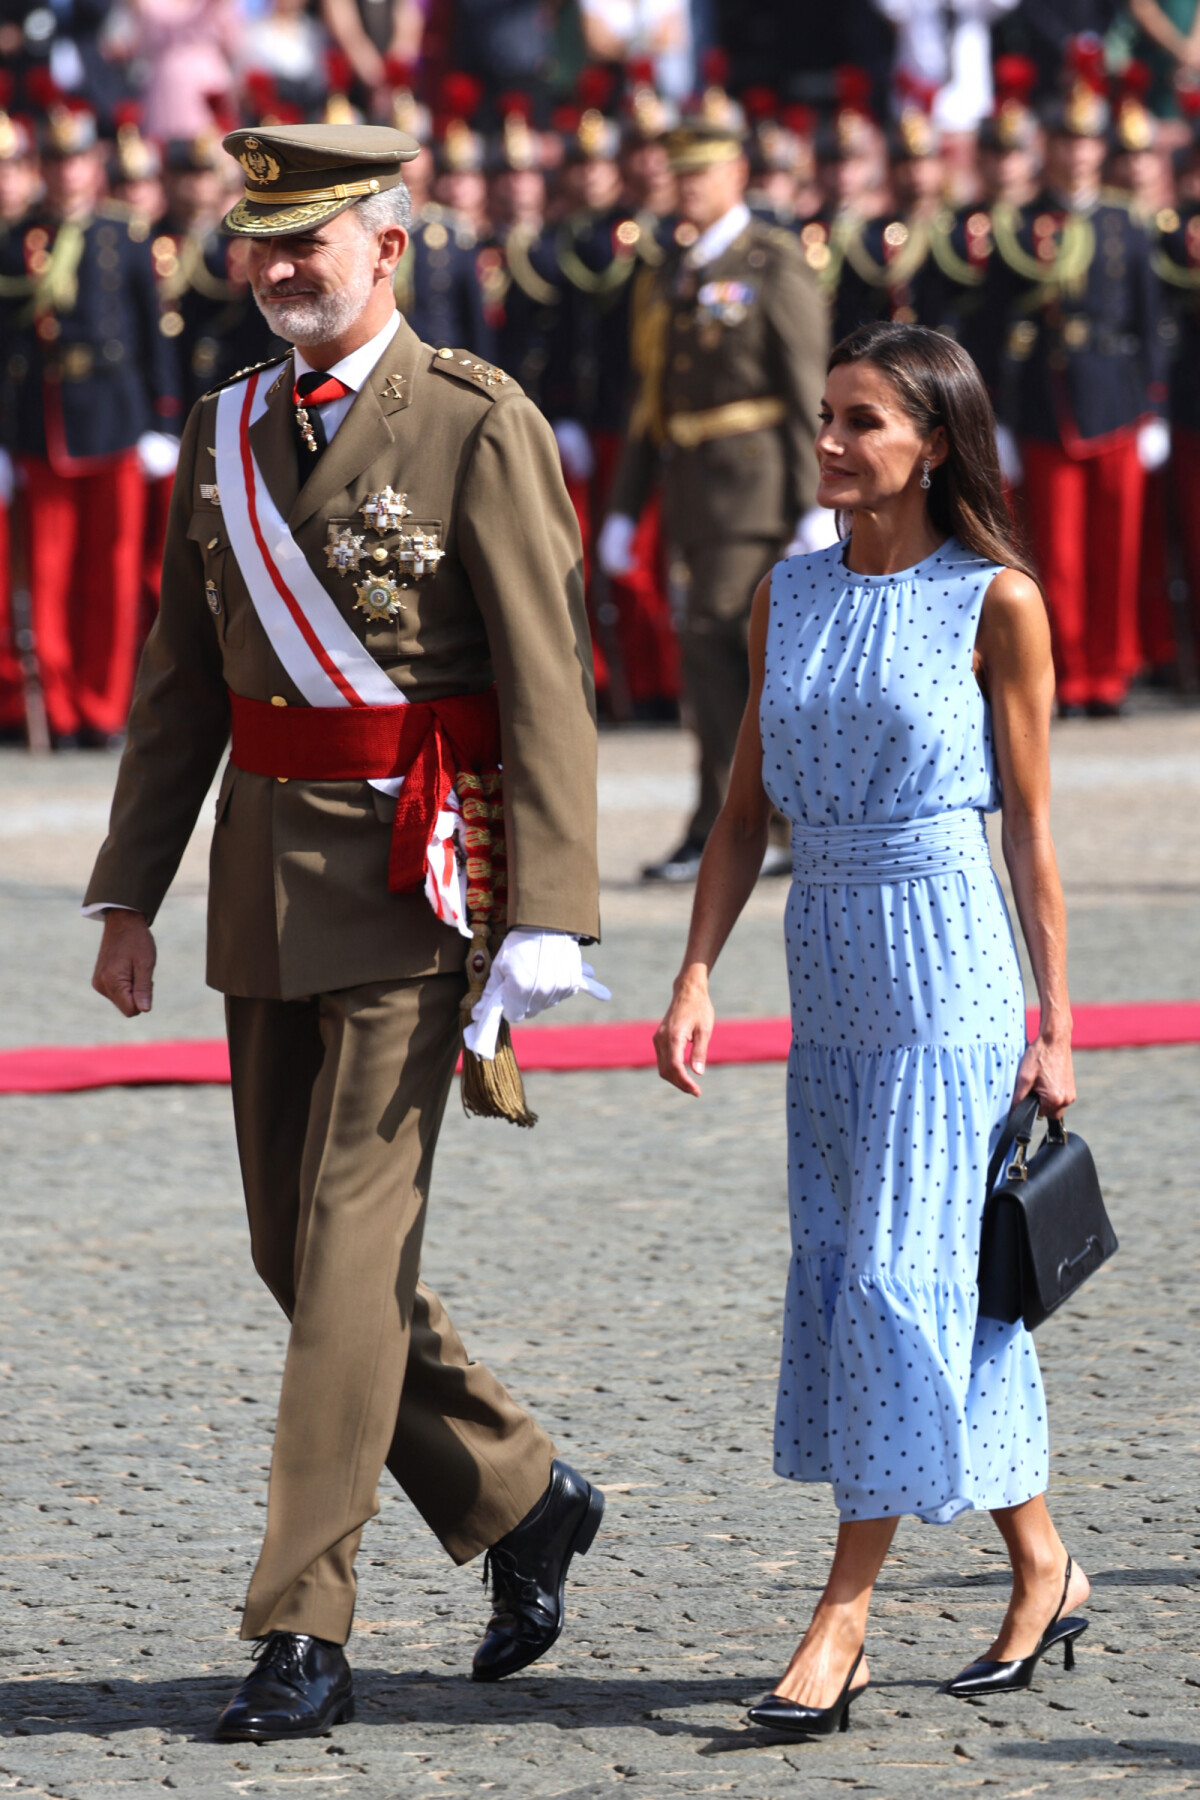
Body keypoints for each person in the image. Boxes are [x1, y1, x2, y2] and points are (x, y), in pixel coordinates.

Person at [85, 120, 606, 1742]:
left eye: (310, 242)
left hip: (414, 882)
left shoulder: (472, 420)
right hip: (260, 884)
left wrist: (550, 913)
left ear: (393, 247)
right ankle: (524, 1497)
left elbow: (546, 677)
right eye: (261, 243)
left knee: (347, 1266)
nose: (280, 269)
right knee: (288, 1251)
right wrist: (127, 886)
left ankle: (302, 1625)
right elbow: (183, 678)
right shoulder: (219, 426)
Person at [655, 320, 1088, 1735]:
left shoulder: (995, 600)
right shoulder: (788, 594)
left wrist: (1058, 1025)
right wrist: (698, 974)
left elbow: (1031, 831)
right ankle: (1043, 1566)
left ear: (936, 445)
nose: (831, 441)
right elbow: (738, 815)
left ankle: (839, 1619)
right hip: (827, 968)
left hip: (950, 965)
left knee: (901, 1281)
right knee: (884, 1275)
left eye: (862, 423)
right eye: (827, 417)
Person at [602, 101, 829, 881]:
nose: (687, 187)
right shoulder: (674, 271)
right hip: (694, 490)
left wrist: (817, 500)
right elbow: (652, 398)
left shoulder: (772, 262)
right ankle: (727, 823)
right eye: (679, 174)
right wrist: (626, 504)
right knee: (710, 662)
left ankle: (764, 826)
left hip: (757, 493)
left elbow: (807, 390)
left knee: (746, 656)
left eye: (701, 172)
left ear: (737, 174)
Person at [978, 64, 1168, 715]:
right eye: (1066, 139)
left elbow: (1149, 322)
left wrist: (1155, 408)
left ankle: (1110, 673)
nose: (1079, 152)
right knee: (1054, 554)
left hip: (1117, 400)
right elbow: (991, 328)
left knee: (1116, 549)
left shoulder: (1126, 223)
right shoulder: (1016, 224)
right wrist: (995, 417)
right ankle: (1065, 669)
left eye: (1089, 141)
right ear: (1049, 146)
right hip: (1046, 402)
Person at [0, 102, 181, 748]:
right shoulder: (17, 237)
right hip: (40, 423)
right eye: (55, 160)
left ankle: (104, 708)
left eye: (76, 159)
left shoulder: (125, 234)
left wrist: (164, 419)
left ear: (94, 164)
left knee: (112, 571)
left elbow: (152, 333)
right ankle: (58, 703)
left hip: (115, 415)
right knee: (47, 574)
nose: (66, 172)